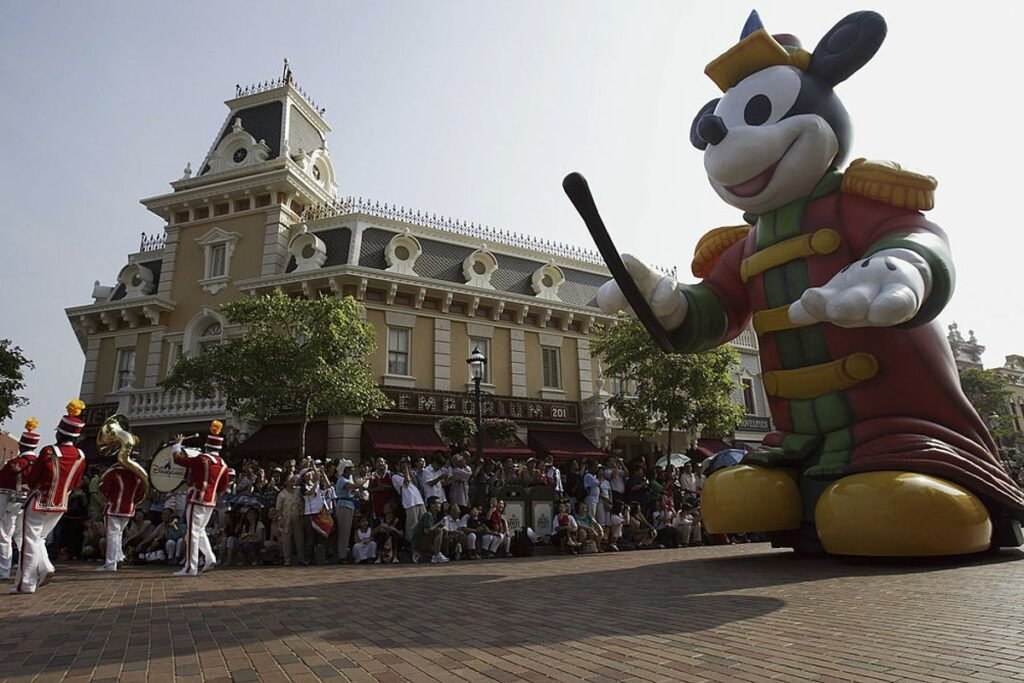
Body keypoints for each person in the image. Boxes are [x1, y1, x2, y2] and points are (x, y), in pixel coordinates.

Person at [12, 401, 88, 595]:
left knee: (29, 541)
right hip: (61, 503)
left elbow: (33, 476)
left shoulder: (48, 451)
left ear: (60, 433)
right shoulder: (80, 456)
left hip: (40, 501)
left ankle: (27, 583)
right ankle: (45, 567)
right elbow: (76, 483)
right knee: (40, 538)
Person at [171, 421, 230, 576]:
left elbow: (179, 460)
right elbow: (223, 486)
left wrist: (177, 445)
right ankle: (210, 557)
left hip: (197, 499)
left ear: (207, 446)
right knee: (200, 530)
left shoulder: (202, 459)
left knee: (192, 532)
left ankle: (191, 567)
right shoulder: (223, 464)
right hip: (211, 501)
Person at [0, 419, 39, 581]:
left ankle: (3, 570)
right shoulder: (38, 464)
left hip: (11, 503)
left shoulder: (14, 463)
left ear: (21, 445)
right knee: (22, 536)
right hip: (30, 503)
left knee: (4, 536)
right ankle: (27, 567)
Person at [96, 451, 148, 572]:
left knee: (112, 535)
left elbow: (104, 488)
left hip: (114, 507)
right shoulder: (139, 476)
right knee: (119, 534)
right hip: (129, 508)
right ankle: (119, 557)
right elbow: (141, 494)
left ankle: (110, 563)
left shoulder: (114, 472)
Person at [392, 456, 426, 542]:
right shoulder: (395, 477)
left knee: (423, 524)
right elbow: (406, 482)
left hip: (419, 500)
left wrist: (409, 470)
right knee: (413, 527)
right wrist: (406, 469)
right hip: (410, 503)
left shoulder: (409, 473)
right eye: (400, 464)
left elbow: (415, 483)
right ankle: (412, 547)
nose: (402, 465)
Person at [333, 460, 359, 563]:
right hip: (343, 506)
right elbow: (355, 486)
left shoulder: (349, 478)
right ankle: (342, 556)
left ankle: (345, 553)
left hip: (350, 505)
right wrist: (366, 479)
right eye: (350, 468)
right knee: (344, 531)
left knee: (348, 531)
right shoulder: (342, 480)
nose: (352, 469)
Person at [275, 475, 304, 565]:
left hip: (297, 518)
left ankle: (301, 559)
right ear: (285, 482)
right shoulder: (282, 494)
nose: (292, 481)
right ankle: (287, 559)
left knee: (300, 539)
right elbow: (278, 509)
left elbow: (302, 502)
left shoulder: (298, 491)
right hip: (286, 519)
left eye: (293, 479)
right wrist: (281, 519)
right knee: (286, 541)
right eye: (289, 479)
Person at [411, 496, 448, 563]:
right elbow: (426, 531)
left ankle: (431, 554)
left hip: (425, 540)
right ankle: (436, 555)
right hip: (418, 542)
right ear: (432, 505)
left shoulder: (434, 515)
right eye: (438, 503)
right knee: (439, 531)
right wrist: (438, 524)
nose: (440, 505)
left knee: (443, 532)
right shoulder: (428, 515)